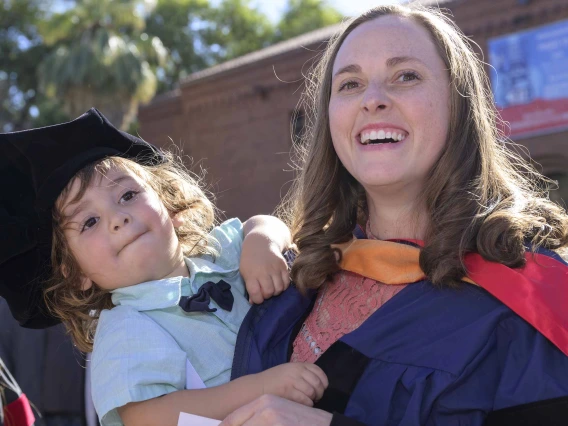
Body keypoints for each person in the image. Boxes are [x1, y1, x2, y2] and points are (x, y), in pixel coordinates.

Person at [224, 4, 568, 426]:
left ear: (459, 103)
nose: (372, 100)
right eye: (349, 84)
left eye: (406, 76)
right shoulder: (293, 282)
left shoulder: (533, 296)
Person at [0, 108, 328, 426]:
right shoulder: (128, 328)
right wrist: (260, 389)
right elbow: (147, 418)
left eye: (127, 195)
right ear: (75, 273)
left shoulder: (217, 253)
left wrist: (263, 242)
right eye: (89, 221)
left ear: (170, 206)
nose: (117, 218)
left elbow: (263, 224)